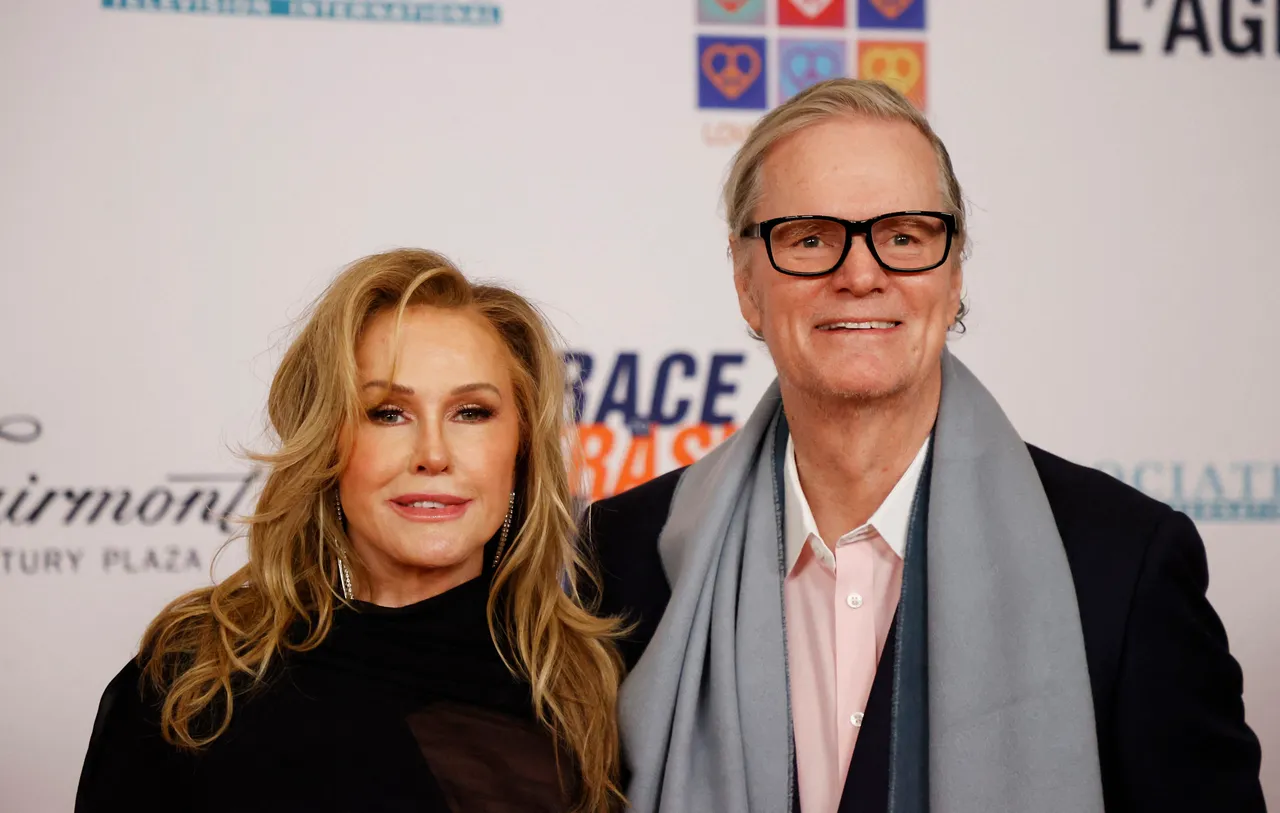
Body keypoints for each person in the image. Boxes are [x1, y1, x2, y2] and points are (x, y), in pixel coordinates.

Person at [587, 79, 1266, 813]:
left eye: (904, 236)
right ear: (747, 281)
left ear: (954, 273)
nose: (860, 274)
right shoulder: (620, 559)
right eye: (810, 238)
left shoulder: (1123, 565)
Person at [76, 249, 626, 813]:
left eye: (471, 412)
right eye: (388, 413)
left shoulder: (588, 690)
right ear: (326, 444)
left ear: (521, 449)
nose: (433, 454)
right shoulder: (195, 678)